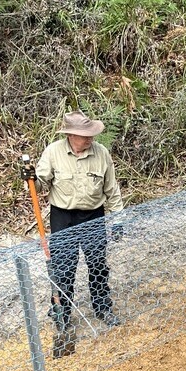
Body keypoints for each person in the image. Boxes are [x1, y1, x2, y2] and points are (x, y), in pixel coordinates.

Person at [32, 111, 125, 332]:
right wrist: (31, 179)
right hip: (63, 217)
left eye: (91, 134)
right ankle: (61, 312)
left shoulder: (101, 153)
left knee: (98, 265)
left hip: (93, 216)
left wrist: (117, 220)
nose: (90, 138)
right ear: (71, 135)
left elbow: (112, 190)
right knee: (63, 267)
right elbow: (38, 186)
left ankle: (102, 307)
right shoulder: (53, 152)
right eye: (85, 135)